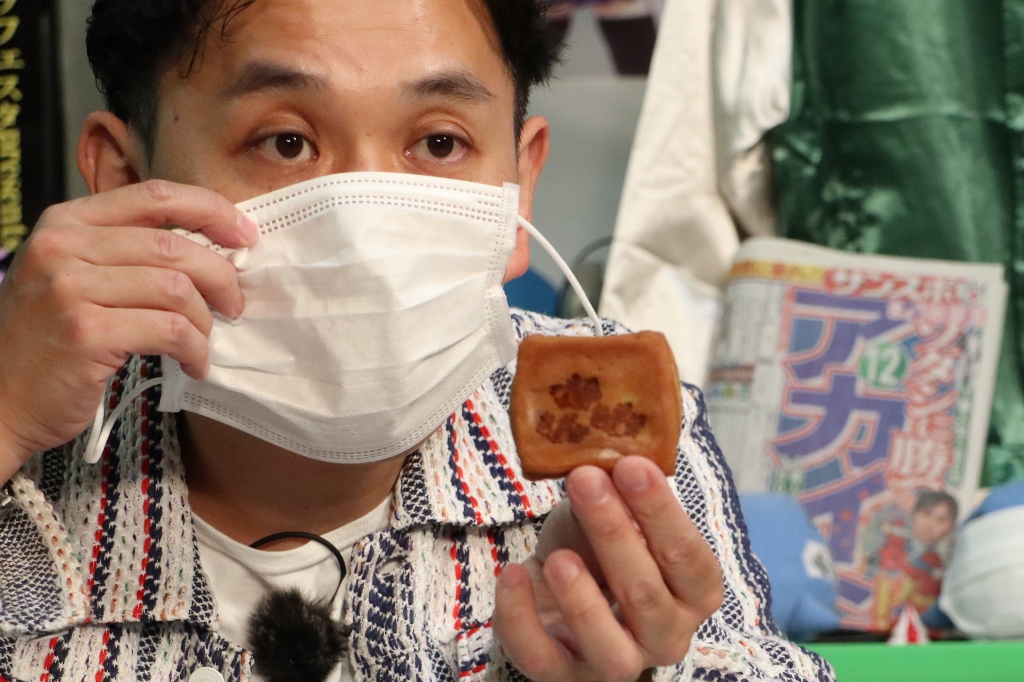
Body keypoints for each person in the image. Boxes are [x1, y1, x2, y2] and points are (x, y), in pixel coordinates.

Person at [0, 1, 834, 680]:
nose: (366, 229)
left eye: (439, 143)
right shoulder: (25, 423)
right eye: (286, 142)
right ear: (124, 177)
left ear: (519, 186)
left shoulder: (610, 427)